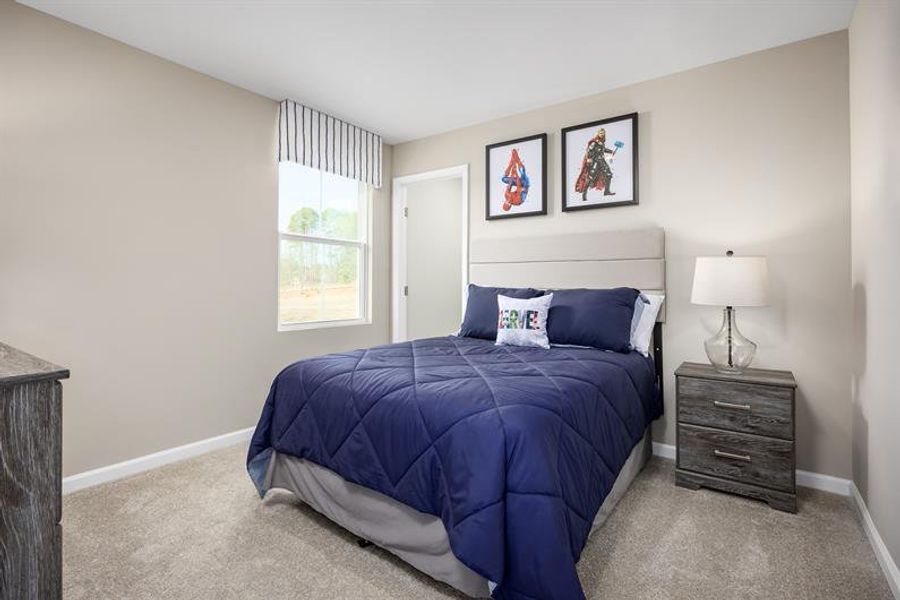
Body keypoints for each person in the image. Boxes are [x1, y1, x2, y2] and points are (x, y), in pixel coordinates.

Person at [574, 128, 617, 201]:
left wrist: (611, 151)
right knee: (590, 177)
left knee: (609, 174)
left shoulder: (601, 142)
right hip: (595, 161)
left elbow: (603, 149)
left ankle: (606, 191)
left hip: (601, 161)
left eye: (603, 133)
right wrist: (589, 159)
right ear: (598, 133)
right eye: (600, 133)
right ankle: (584, 196)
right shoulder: (594, 142)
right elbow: (589, 150)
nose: (602, 134)